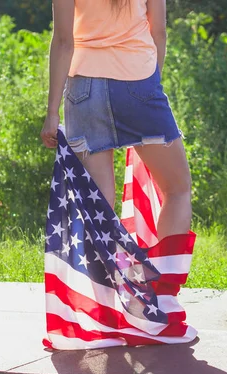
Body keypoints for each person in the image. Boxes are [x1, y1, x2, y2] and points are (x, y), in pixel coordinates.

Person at [39, 0, 191, 240]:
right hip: (138, 79)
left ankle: (103, 278)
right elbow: (158, 32)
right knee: (177, 190)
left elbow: (63, 42)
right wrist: (150, 87)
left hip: (84, 89)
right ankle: (166, 276)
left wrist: (51, 113)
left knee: (98, 203)